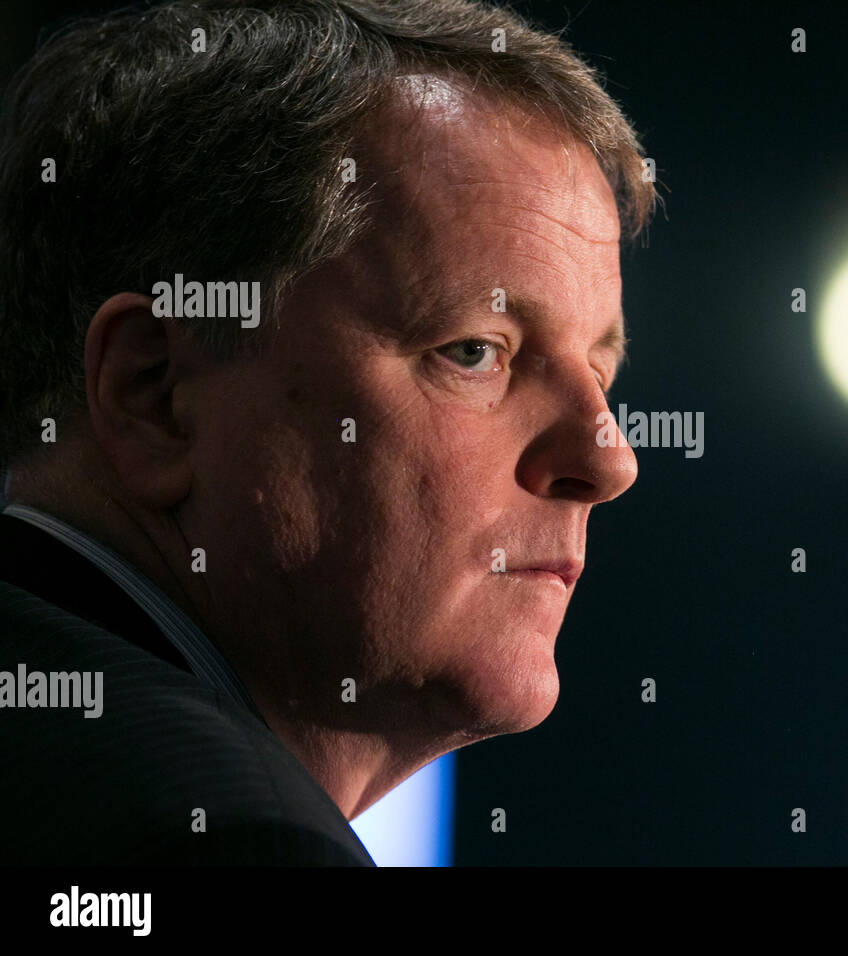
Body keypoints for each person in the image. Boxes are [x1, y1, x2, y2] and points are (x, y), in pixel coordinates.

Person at [0, 0, 656, 864]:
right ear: (153, 394)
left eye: (599, 374)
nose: (609, 459)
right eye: (475, 352)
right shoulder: (219, 840)